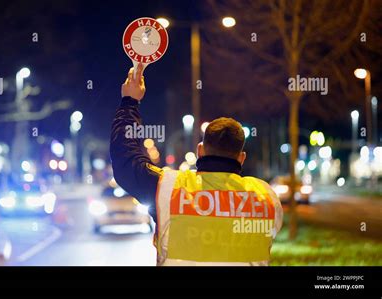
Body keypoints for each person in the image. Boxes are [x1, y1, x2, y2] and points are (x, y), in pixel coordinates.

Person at [110, 63, 283, 266]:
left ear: (200, 150)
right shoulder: (267, 197)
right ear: (241, 157)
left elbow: (126, 161)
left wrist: (130, 102)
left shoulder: (169, 187)